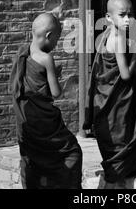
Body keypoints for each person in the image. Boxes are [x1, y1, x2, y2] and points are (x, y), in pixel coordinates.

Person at [85, 0, 136, 189]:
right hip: (117, 99)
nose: (128, 20)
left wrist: (131, 48)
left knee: (123, 132)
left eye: (131, 15)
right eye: (122, 15)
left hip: (107, 97)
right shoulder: (118, 39)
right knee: (134, 130)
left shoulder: (106, 34)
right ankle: (118, 173)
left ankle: (124, 166)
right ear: (109, 17)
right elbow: (125, 74)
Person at [10, 13, 83, 189]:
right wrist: (59, 77)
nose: (56, 45)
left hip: (27, 121)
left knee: (34, 159)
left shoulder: (21, 54)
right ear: (49, 35)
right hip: (45, 122)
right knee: (72, 151)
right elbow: (56, 93)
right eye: (56, 40)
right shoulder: (46, 58)